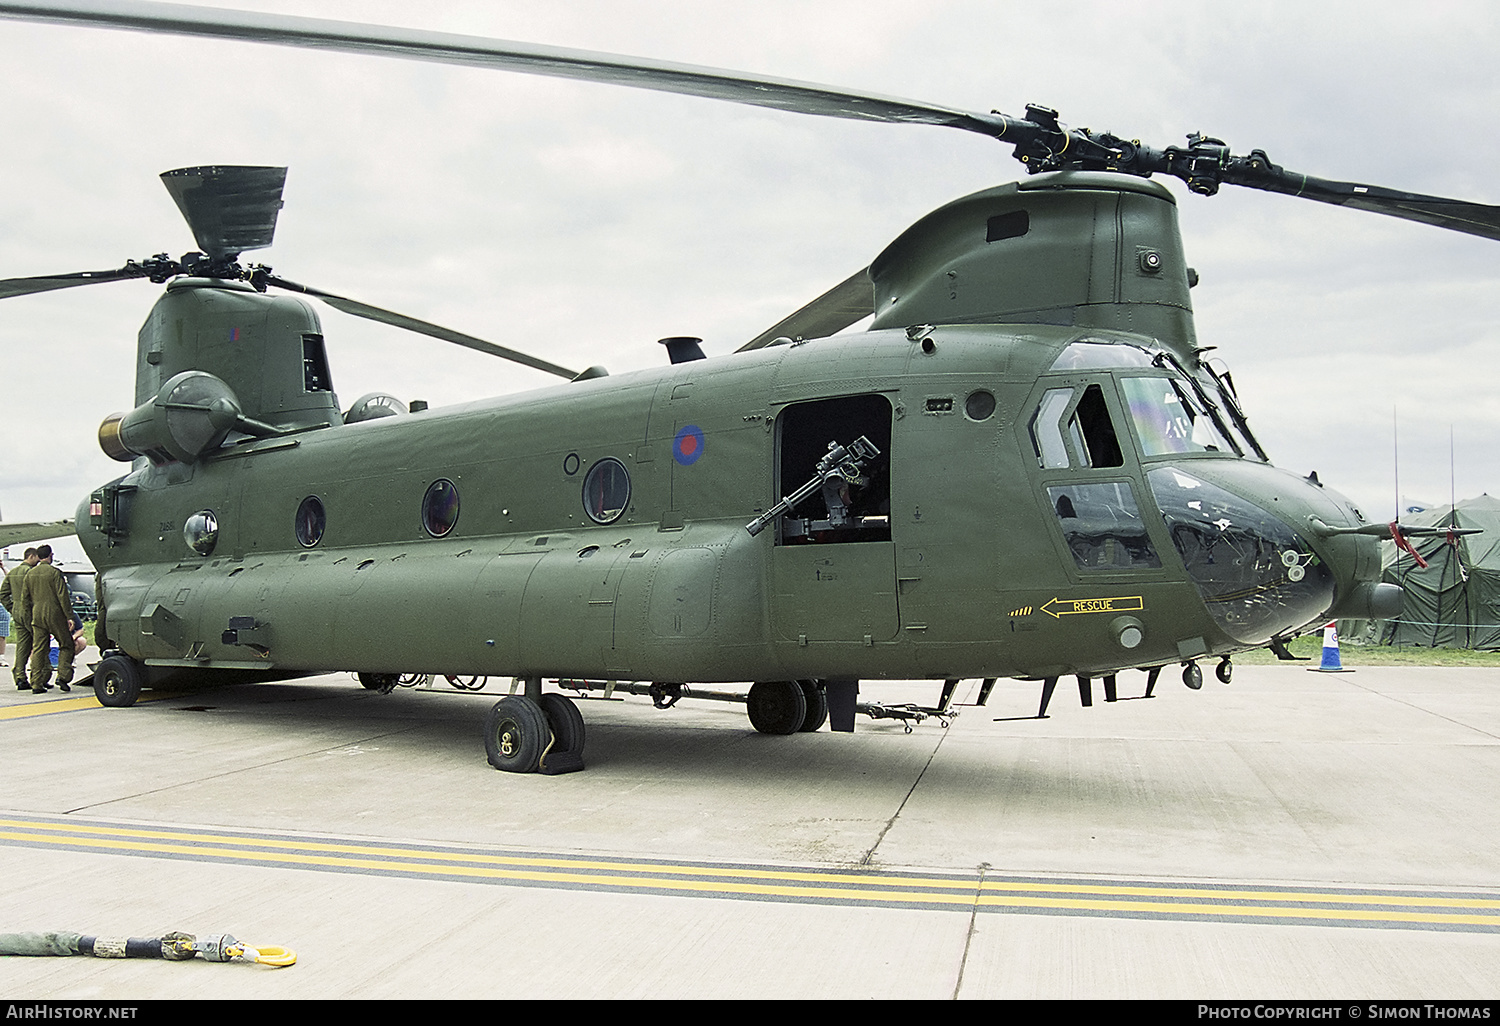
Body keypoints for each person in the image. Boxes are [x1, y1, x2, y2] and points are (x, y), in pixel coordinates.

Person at [22, 545, 77, 695]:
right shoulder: (55, 573)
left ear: (38, 556)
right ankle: (63, 676)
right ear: (50, 555)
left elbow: (25, 599)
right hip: (55, 614)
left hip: (37, 614)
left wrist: (29, 616)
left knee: (39, 648)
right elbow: (62, 596)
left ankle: (36, 683)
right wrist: (69, 616)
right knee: (66, 644)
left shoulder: (30, 574)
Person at [0, 548, 40, 691]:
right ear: (31, 556)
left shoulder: (13, 572)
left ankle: (20, 675)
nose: (39, 560)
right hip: (30, 611)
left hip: (17, 612)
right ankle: (39, 677)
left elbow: (3, 594)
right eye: (37, 557)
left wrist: (12, 608)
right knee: (39, 643)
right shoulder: (30, 572)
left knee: (23, 645)